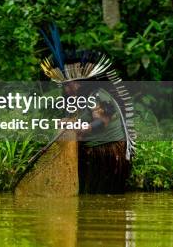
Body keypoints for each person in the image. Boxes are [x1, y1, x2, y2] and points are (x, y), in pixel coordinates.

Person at [40, 26, 136, 193]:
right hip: (91, 150)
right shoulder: (74, 100)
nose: (67, 89)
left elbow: (102, 121)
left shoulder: (96, 95)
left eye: (69, 85)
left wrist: (83, 128)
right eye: (65, 86)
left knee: (104, 191)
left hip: (106, 150)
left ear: (79, 83)